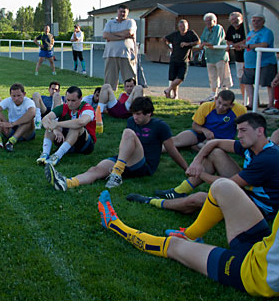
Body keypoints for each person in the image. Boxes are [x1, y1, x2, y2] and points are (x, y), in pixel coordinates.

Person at [98, 179, 279, 297]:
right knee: (223, 187)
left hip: (258, 272)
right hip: (265, 248)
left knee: (173, 246)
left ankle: (113, 223)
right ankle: (190, 235)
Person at [131, 113, 279, 219]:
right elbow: (215, 142)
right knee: (216, 153)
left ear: (260, 131)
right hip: (249, 192)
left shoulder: (267, 158)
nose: (239, 135)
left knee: (198, 199)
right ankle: (180, 191)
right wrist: (196, 161)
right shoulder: (253, 145)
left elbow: (227, 184)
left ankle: (152, 201)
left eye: (243, 131)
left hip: (260, 209)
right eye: (238, 130)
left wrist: (200, 173)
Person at [46, 97, 187, 190]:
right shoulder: (132, 121)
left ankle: (116, 173)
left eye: (138, 114)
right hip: (124, 159)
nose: (134, 117)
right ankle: (66, 182)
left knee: (128, 133)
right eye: (133, 113)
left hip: (143, 164)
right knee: (95, 170)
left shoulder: (160, 126)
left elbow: (171, 149)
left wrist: (187, 168)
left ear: (149, 113)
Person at [163, 90, 246, 152]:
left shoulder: (239, 110)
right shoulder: (206, 106)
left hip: (221, 140)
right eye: (219, 103)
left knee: (213, 149)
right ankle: (154, 147)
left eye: (225, 105)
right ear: (216, 99)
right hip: (201, 134)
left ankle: (197, 146)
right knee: (176, 141)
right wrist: (204, 130)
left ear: (232, 105)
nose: (220, 107)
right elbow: (195, 125)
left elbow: (245, 128)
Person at [36, 86, 96, 166]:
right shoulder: (64, 107)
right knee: (50, 127)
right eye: (68, 100)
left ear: (81, 98)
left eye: (73, 100)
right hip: (65, 140)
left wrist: (57, 124)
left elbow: (81, 122)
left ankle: (57, 155)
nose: (70, 103)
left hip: (84, 144)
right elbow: (45, 120)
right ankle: (45, 154)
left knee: (76, 127)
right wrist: (55, 130)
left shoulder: (87, 108)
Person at [237, 14, 276, 113]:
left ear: (263, 22)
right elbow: (246, 43)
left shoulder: (267, 32)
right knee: (247, 82)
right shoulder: (251, 32)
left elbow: (264, 44)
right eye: (254, 20)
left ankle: (271, 105)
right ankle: (252, 103)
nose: (255, 23)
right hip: (250, 63)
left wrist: (249, 46)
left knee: (269, 83)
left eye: (258, 21)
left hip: (265, 63)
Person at [0, 83, 36, 152]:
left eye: (19, 95)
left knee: (29, 120)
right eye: (13, 96)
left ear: (24, 94)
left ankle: (11, 142)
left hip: (26, 133)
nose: (16, 98)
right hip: (11, 129)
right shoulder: (8, 100)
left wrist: (13, 124)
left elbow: (32, 113)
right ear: (10, 95)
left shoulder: (29, 102)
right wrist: (0, 123)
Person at [102, 4, 138, 90]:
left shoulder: (130, 22)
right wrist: (122, 37)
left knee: (130, 78)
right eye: (120, 11)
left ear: (127, 13)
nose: (122, 14)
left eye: (124, 12)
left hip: (126, 54)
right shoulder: (110, 22)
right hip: (111, 54)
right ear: (117, 12)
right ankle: (110, 98)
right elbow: (105, 35)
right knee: (109, 80)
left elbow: (129, 32)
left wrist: (112, 35)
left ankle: (133, 97)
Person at [163, 19, 200, 99]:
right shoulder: (175, 34)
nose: (182, 28)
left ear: (187, 26)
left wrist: (188, 44)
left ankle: (168, 89)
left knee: (180, 78)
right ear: (178, 27)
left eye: (184, 26)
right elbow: (164, 39)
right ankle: (175, 95)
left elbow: (198, 41)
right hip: (174, 59)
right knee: (173, 78)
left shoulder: (191, 33)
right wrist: (169, 48)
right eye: (180, 26)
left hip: (184, 60)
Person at [199, 13, 232, 102]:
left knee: (223, 76)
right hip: (209, 56)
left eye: (210, 21)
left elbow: (215, 42)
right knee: (212, 76)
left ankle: (225, 95)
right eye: (206, 21)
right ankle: (213, 94)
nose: (208, 23)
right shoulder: (206, 29)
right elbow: (202, 39)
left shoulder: (218, 28)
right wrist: (204, 43)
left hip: (220, 56)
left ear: (214, 21)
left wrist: (205, 43)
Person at [225, 12, 247, 104]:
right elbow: (228, 40)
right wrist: (233, 45)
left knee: (249, 80)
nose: (234, 21)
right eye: (232, 19)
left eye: (236, 19)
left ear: (241, 19)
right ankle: (245, 100)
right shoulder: (231, 29)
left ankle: (252, 101)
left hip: (248, 57)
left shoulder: (244, 28)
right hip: (238, 58)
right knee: (241, 79)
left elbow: (247, 39)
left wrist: (235, 45)